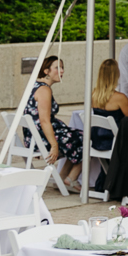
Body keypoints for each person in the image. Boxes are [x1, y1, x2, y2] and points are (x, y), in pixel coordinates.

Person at [25, 56, 84, 194]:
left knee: (77, 136)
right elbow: (44, 120)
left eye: (62, 67)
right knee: (86, 139)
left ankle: (63, 178)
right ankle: (71, 178)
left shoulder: (34, 85)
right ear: (46, 71)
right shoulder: (44, 90)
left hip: (34, 136)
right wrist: (54, 145)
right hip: (42, 138)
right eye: (57, 68)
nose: (62, 71)